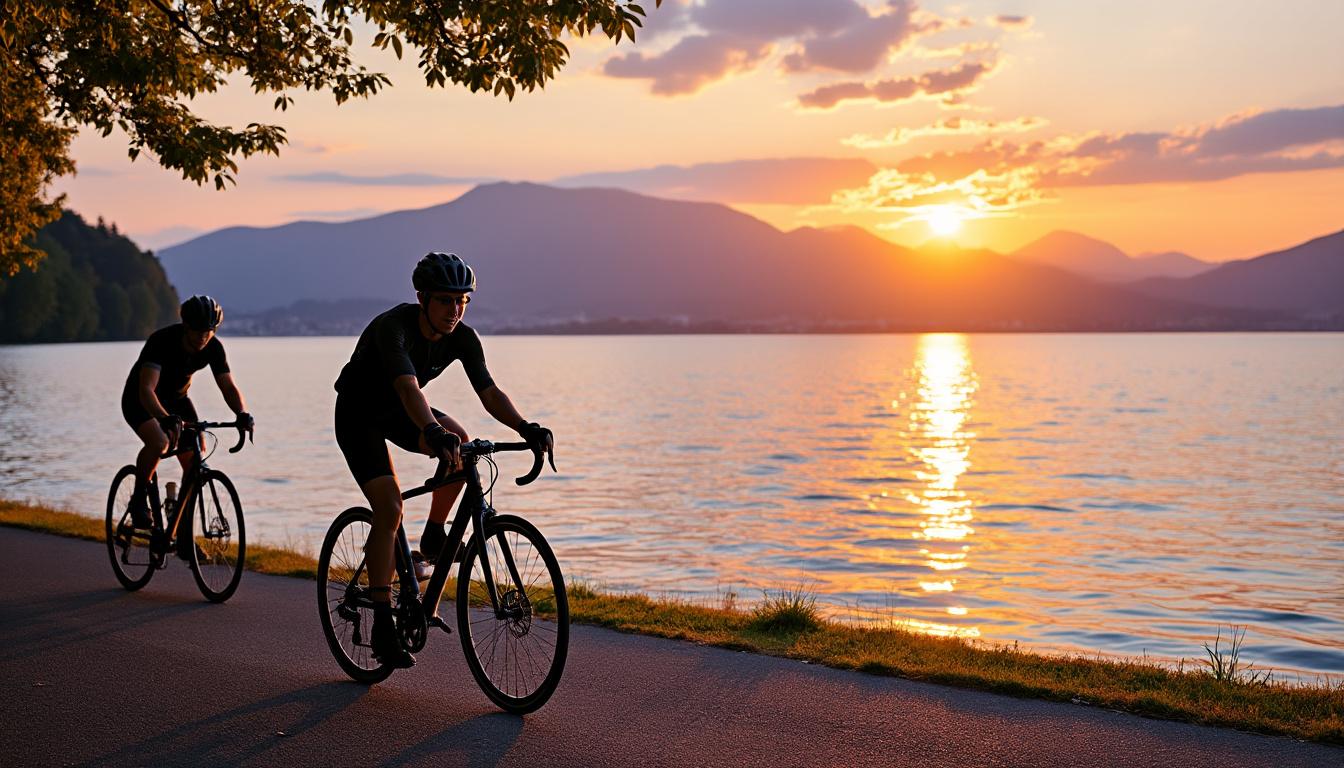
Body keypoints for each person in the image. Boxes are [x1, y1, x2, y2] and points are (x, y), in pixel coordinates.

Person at [333, 252, 553, 668]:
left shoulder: (463, 338)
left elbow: (489, 393)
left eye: (463, 301)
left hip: (402, 411)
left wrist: (526, 428)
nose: (455, 310)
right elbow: (407, 387)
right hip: (359, 414)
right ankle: (382, 621)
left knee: (463, 444)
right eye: (446, 300)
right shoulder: (393, 328)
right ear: (422, 298)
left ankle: (434, 534)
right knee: (390, 506)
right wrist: (433, 431)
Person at [120, 295, 254, 546]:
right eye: (199, 331)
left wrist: (242, 414)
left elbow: (227, 386)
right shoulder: (162, 341)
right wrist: (163, 418)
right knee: (159, 442)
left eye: (210, 331)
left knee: (194, 461)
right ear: (186, 327)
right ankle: (139, 499)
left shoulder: (214, 347)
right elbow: (147, 389)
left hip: (177, 401)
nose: (204, 337)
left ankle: (182, 538)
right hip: (140, 399)